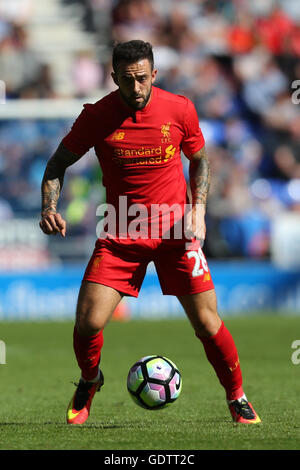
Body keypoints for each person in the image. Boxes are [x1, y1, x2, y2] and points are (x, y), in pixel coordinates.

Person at [39, 40, 261, 425]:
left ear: (154, 74)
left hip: (176, 229)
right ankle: (90, 379)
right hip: (121, 229)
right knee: (88, 322)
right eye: (128, 80)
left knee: (207, 323)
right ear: (114, 78)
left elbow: (199, 158)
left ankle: (237, 397)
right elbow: (59, 162)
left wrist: (199, 209)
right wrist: (49, 208)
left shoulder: (179, 108)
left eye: (143, 78)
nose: (137, 87)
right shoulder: (97, 115)